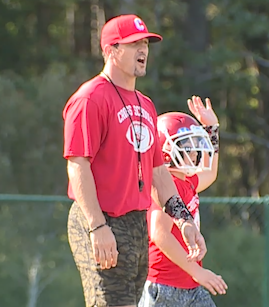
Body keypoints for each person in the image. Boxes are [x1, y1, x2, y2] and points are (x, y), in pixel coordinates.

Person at [63, 14, 206, 307]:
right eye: (133, 44)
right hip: (101, 218)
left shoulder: (146, 104)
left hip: (134, 222)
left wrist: (184, 220)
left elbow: (159, 172)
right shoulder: (90, 98)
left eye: (145, 43)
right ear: (112, 51)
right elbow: (78, 165)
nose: (143, 51)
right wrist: (97, 226)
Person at [138, 96, 227, 307]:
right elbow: (160, 234)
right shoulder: (166, 186)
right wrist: (198, 272)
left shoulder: (185, 181)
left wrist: (212, 129)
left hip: (188, 284)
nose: (195, 151)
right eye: (187, 145)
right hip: (165, 286)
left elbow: (210, 172)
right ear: (165, 151)